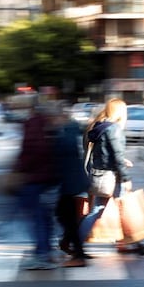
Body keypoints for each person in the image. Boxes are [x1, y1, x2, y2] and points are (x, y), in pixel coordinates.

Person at [79, 98, 144, 255]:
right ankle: (136, 244)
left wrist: (121, 161)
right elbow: (116, 154)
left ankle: (129, 244)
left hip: (100, 175)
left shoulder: (100, 127)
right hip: (111, 177)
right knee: (124, 209)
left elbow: (104, 153)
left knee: (99, 210)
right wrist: (125, 177)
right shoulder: (114, 129)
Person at [13, 102, 61, 270]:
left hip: (35, 179)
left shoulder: (34, 124)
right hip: (49, 179)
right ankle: (46, 251)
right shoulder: (49, 126)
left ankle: (42, 254)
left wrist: (21, 168)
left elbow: (32, 150)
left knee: (36, 218)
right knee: (44, 217)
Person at [53, 107, 91, 267]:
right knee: (66, 216)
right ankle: (71, 246)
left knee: (66, 217)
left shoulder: (66, 133)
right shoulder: (71, 129)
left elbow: (62, 152)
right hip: (72, 181)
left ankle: (78, 254)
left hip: (70, 182)